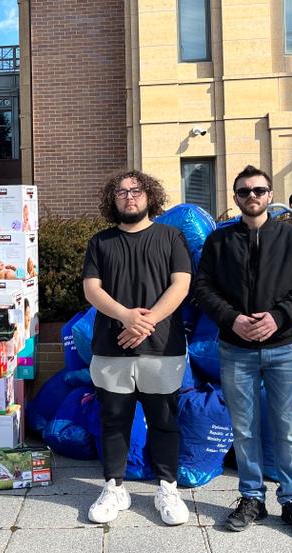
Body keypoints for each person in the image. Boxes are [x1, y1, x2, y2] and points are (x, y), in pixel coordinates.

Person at [193, 165, 292, 539]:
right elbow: (203, 288)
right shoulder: (219, 242)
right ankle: (252, 497)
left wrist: (279, 317)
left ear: (270, 195)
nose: (252, 196)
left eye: (259, 190)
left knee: (287, 429)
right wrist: (231, 319)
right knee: (244, 428)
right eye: (244, 191)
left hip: (285, 348)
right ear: (235, 198)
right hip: (236, 350)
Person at [82, 169, 192, 526]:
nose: (129, 197)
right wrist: (127, 316)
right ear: (112, 201)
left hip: (163, 348)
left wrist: (146, 322)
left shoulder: (171, 236)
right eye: (121, 192)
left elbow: (181, 285)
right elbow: (92, 290)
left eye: (136, 190)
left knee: (164, 422)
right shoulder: (101, 242)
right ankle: (114, 487)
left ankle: (167, 488)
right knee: (114, 421)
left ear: (150, 196)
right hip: (111, 347)